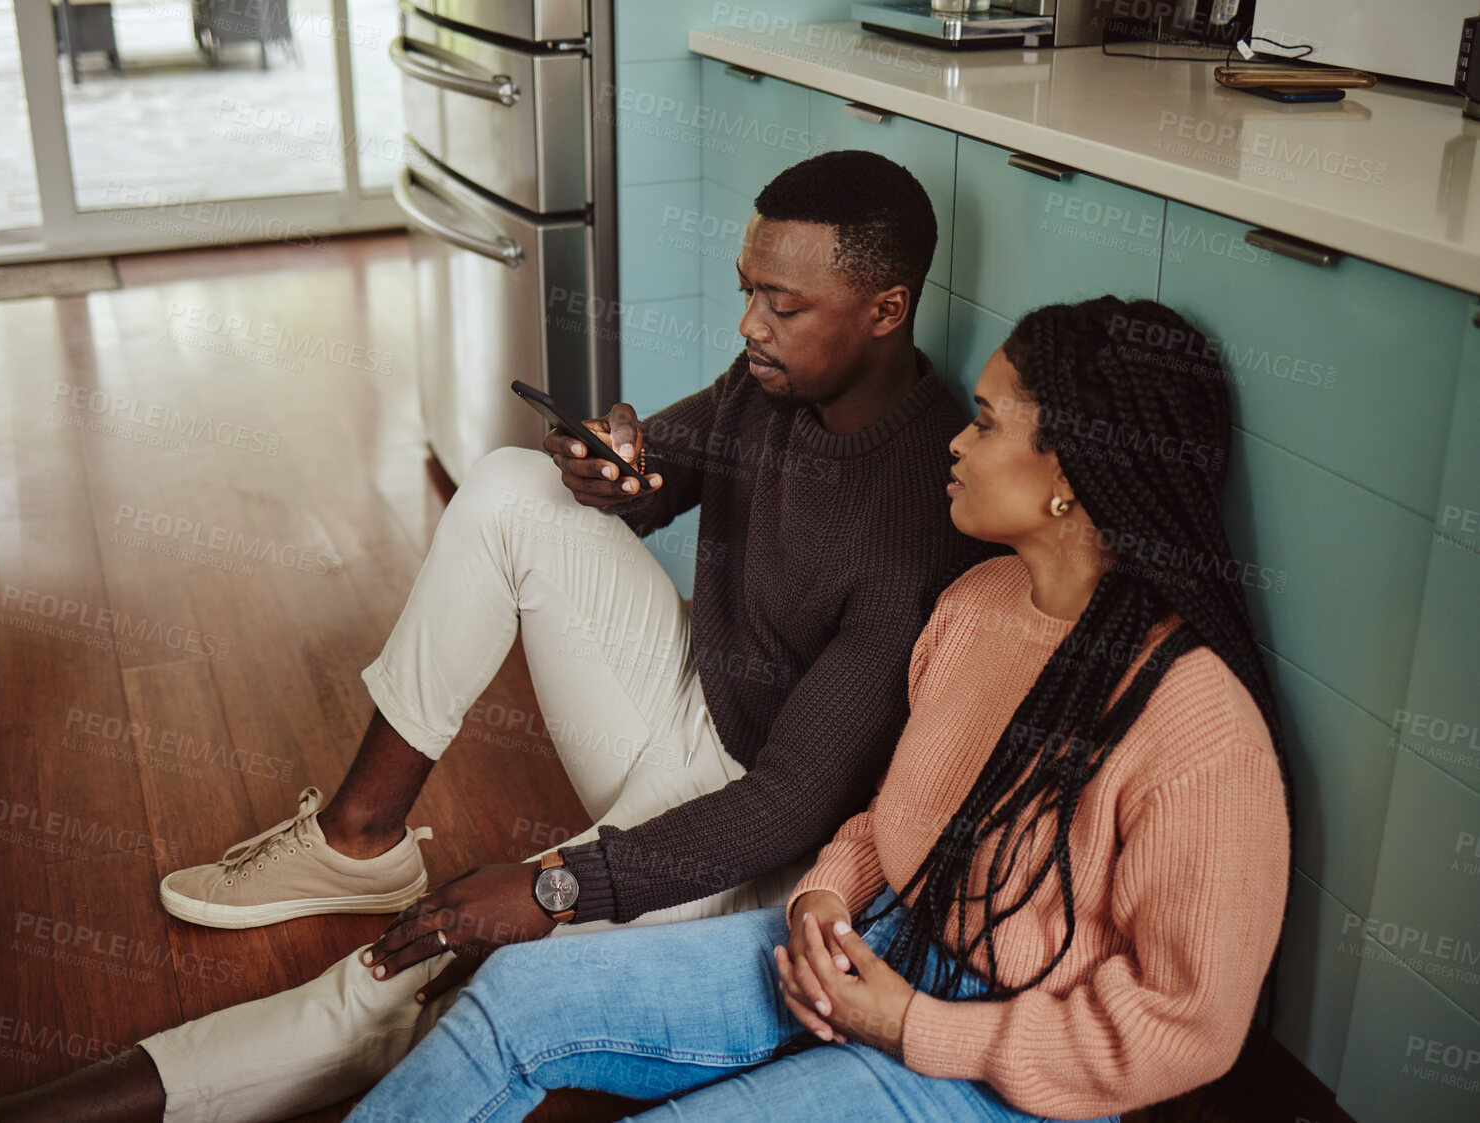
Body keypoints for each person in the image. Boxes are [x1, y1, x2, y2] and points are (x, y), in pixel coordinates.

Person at [0, 150, 994, 1123]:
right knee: (505, 484)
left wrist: (555, 886)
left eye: (781, 305)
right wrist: (610, 471)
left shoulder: (914, 525)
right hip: (692, 693)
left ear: (887, 308)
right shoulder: (780, 378)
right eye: (747, 290)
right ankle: (360, 835)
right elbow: (666, 470)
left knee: (422, 959)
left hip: (751, 825)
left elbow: (788, 807)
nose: (749, 323)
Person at [338, 296, 1296, 1123]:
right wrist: (825, 899)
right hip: (868, 946)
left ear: (1070, 479)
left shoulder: (1195, 723)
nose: (955, 443)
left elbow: (1187, 1027)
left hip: (1014, 1079)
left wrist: (912, 1026)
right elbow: (895, 813)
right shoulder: (976, 607)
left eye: (987, 422)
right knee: (515, 998)